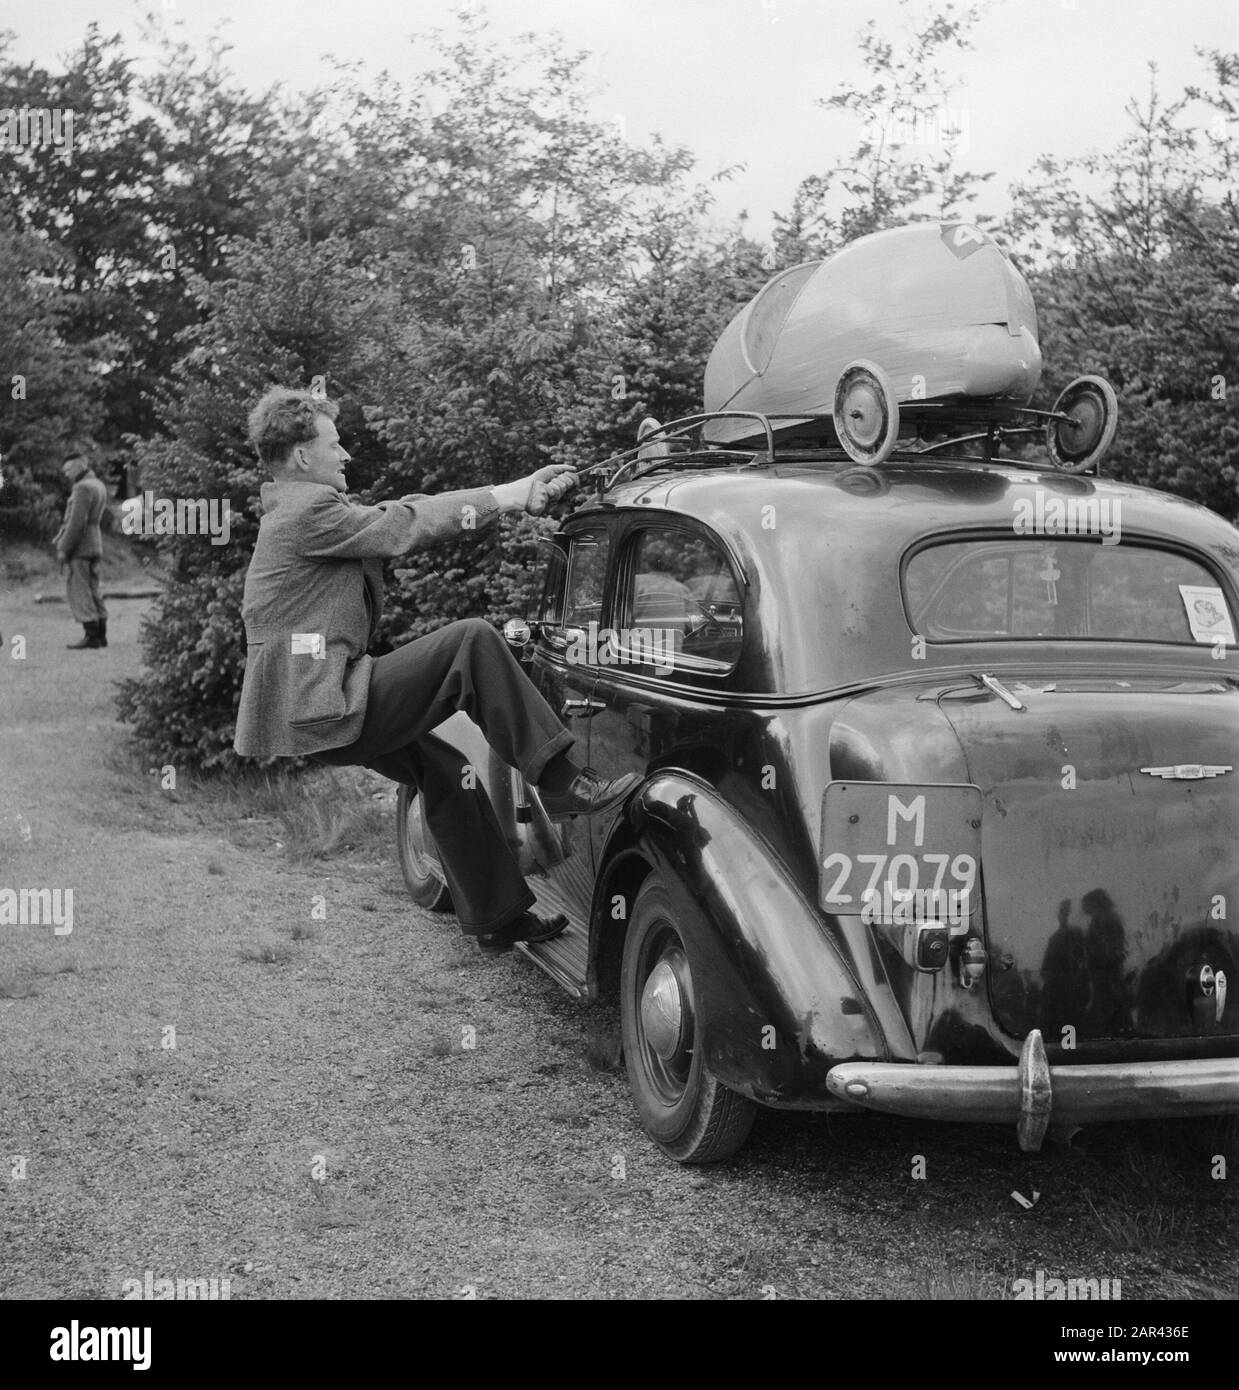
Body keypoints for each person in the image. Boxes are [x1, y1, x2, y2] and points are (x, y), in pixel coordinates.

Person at [233, 387, 639, 954]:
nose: (347, 453)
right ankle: (562, 781)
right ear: (302, 458)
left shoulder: (301, 511)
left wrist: (515, 493)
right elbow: (408, 523)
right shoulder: (307, 512)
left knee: (448, 771)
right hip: (322, 701)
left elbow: (405, 509)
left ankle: (498, 918)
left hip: (311, 704)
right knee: (469, 642)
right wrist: (510, 494)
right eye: (335, 443)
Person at [54, 452, 109, 650]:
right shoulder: (98, 484)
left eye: (68, 469)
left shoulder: (82, 487)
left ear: (79, 466)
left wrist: (64, 549)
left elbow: (76, 523)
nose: (66, 474)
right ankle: (101, 633)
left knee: (80, 589)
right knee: (94, 589)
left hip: (81, 547)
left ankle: (91, 635)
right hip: (95, 543)